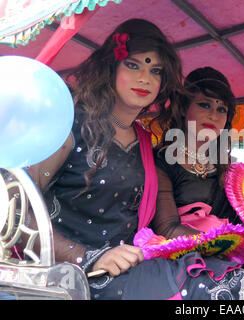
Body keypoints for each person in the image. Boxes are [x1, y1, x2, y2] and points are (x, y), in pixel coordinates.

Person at [24, 18, 187, 299]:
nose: (145, 78)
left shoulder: (145, 142)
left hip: (129, 272)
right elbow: (18, 208)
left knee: (213, 278)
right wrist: (86, 258)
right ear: (111, 67)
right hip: (67, 279)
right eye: (133, 65)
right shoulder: (70, 124)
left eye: (155, 70)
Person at [151, 66, 244, 271]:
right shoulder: (161, 161)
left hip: (230, 262)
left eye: (221, 109)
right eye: (204, 105)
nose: (213, 116)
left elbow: (241, 226)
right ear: (183, 108)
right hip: (181, 265)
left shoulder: (229, 169)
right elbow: (168, 229)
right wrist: (236, 247)